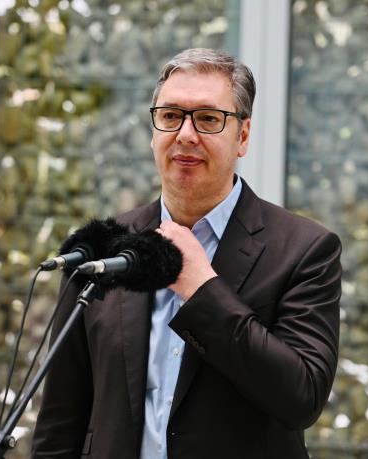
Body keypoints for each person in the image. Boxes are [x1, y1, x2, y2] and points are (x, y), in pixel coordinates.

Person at [31, 48, 341, 459]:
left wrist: (202, 289)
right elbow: (60, 422)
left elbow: (302, 397)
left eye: (209, 119)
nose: (186, 134)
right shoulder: (102, 245)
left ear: (242, 136)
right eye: (171, 115)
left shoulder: (305, 250)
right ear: (153, 130)